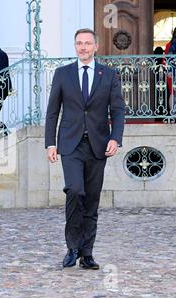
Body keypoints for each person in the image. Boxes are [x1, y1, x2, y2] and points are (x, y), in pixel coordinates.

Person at [45, 29, 125, 270]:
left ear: (96, 47)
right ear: (75, 46)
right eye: (79, 43)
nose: (83, 47)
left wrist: (115, 138)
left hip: (98, 145)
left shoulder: (109, 75)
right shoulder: (62, 74)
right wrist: (50, 142)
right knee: (75, 191)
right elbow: (52, 112)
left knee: (91, 200)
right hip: (70, 144)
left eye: (87, 43)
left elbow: (118, 110)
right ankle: (72, 247)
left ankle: (87, 253)